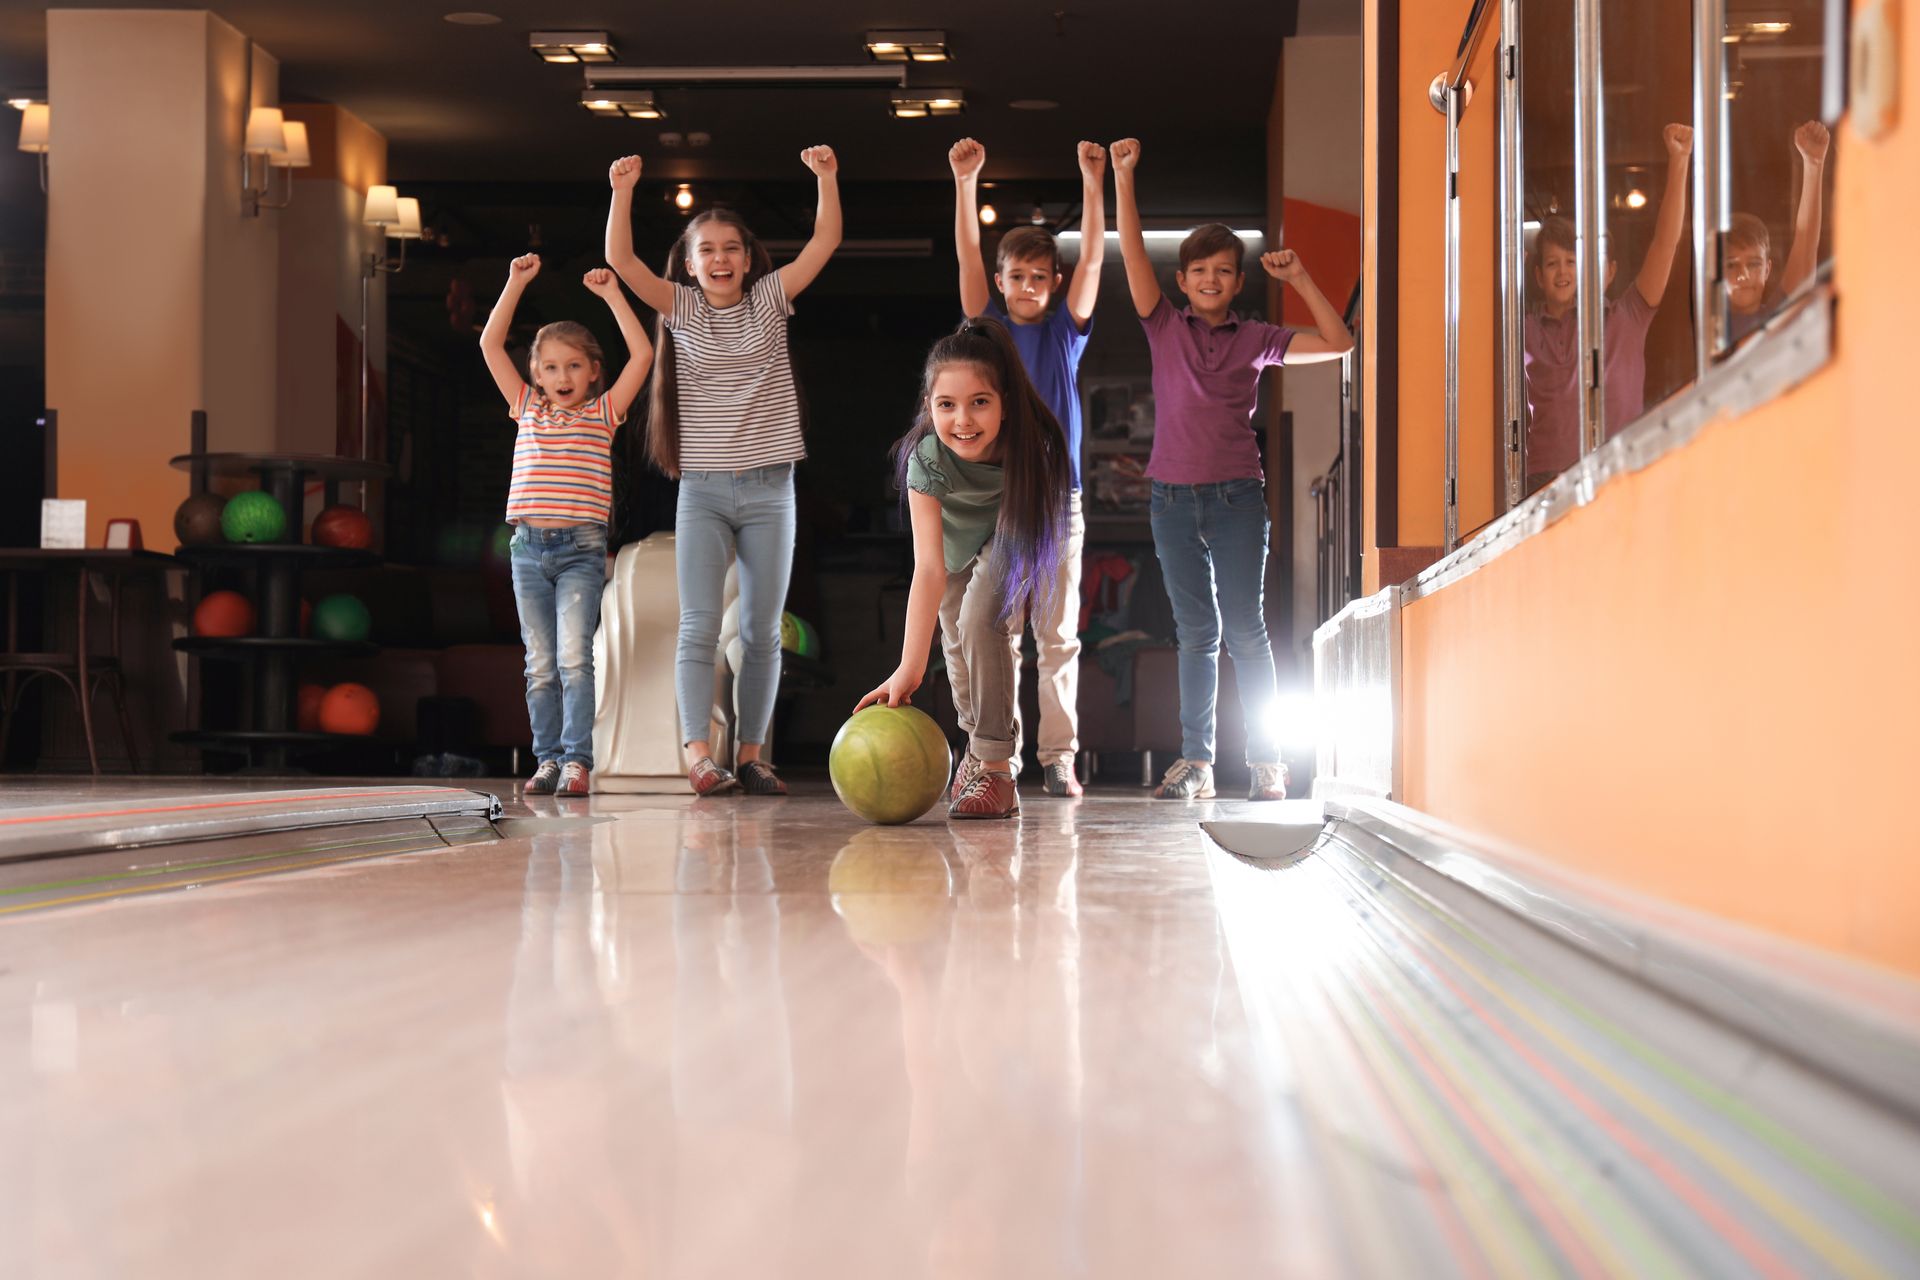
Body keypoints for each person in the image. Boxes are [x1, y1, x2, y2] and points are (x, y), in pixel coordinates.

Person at [1109, 136, 1353, 802]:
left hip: (1238, 497)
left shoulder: (1256, 338)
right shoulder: (1162, 325)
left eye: (1223, 270)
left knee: (1246, 627)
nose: (1210, 280)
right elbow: (1131, 253)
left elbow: (1340, 342)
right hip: (1170, 498)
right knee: (1196, 631)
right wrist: (1124, 179)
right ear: (1183, 281)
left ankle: (1269, 763)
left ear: (1238, 282)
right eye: (1198, 271)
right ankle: (1198, 764)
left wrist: (1299, 278)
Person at [604, 147, 842, 797]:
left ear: (747, 257)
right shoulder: (681, 309)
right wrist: (622, 191)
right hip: (704, 489)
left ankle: (754, 755)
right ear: (689, 264)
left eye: (731, 247)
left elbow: (824, 242)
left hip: (770, 488)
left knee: (763, 627)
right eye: (706, 250)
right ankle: (700, 756)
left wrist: (825, 179)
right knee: (700, 625)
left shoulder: (769, 300)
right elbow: (623, 262)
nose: (720, 259)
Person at [857, 319, 1074, 820]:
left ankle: (997, 769)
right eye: (946, 405)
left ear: (1004, 403)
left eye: (979, 402)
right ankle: (977, 748)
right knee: (956, 647)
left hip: (1013, 531)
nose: (963, 420)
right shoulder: (926, 459)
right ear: (929, 407)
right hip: (952, 550)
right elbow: (928, 568)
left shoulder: (1029, 446)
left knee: (982, 619)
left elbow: (1027, 538)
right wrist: (908, 670)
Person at [949, 137, 1106, 798]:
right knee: (995, 633)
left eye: (1040, 278)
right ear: (1003, 280)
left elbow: (1095, 255)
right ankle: (995, 756)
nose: (1028, 289)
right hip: (1000, 500)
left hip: (1058, 501)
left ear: (1055, 283)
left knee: (1058, 636)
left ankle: (1059, 755)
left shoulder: (1066, 330)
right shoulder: (986, 328)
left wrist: (1092, 182)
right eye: (1017, 277)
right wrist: (967, 183)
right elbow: (966, 257)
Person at [480, 256, 653, 796]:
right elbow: (489, 344)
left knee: (576, 658)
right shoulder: (525, 407)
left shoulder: (603, 414)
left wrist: (612, 296)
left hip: (580, 551)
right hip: (528, 551)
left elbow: (644, 353)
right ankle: (548, 760)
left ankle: (577, 759)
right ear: (535, 374)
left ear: (594, 371)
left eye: (574, 366)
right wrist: (514, 284)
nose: (562, 377)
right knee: (539, 665)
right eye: (551, 367)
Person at [1524, 123, 1693, 491]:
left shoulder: (1628, 315)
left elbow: (1665, 244)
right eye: (1553, 264)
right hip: (1542, 481)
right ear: (1539, 276)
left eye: (1572, 261)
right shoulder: (1522, 331)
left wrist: (1679, 162)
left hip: (1618, 471)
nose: (1563, 272)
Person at [1727, 120, 1830, 344]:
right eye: (1731, 264)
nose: (1743, 275)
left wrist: (1813, 164)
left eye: (1753, 264)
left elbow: (1805, 240)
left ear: (1767, 269)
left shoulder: (1774, 316)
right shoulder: (1709, 327)